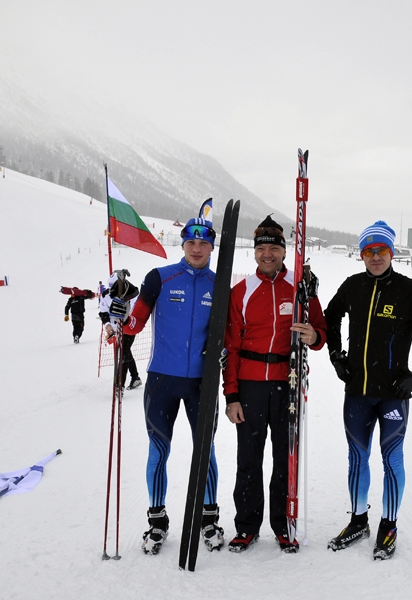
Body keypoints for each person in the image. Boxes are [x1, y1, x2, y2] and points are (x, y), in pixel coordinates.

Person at [324, 220, 412, 560]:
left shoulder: (409, 291)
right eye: (368, 251)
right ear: (361, 255)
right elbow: (329, 318)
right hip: (357, 393)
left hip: (393, 395)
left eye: (381, 250)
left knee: (392, 459)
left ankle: (389, 524)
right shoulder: (353, 286)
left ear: (392, 253)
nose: (375, 257)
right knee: (357, 458)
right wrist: (337, 356)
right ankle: (358, 521)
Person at [115, 203, 224, 556]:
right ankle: (157, 521)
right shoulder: (159, 278)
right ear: (183, 244)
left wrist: (224, 351)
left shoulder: (220, 285)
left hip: (201, 384)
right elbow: (135, 324)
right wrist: (120, 319)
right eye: (191, 242)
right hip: (162, 380)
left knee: (205, 450)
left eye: (204, 242)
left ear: (212, 246)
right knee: (158, 450)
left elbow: (229, 334)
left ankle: (208, 518)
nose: (197, 248)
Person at [223, 215, 327, 554]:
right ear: (254, 253)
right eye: (261, 249)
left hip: (287, 383)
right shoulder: (241, 291)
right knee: (248, 460)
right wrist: (232, 395)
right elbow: (230, 348)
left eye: (274, 249)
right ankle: (246, 526)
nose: (267, 255)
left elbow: (320, 331)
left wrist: (314, 336)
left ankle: (284, 525)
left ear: (284, 251)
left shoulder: (299, 287)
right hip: (250, 386)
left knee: (285, 459)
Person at [99, 270, 141, 390]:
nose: (113, 290)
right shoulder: (105, 295)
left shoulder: (131, 293)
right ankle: (135, 377)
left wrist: (126, 317)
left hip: (128, 327)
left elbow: (135, 310)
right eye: (111, 287)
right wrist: (107, 325)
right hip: (115, 329)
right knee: (126, 352)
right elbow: (103, 312)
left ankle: (119, 385)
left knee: (124, 353)